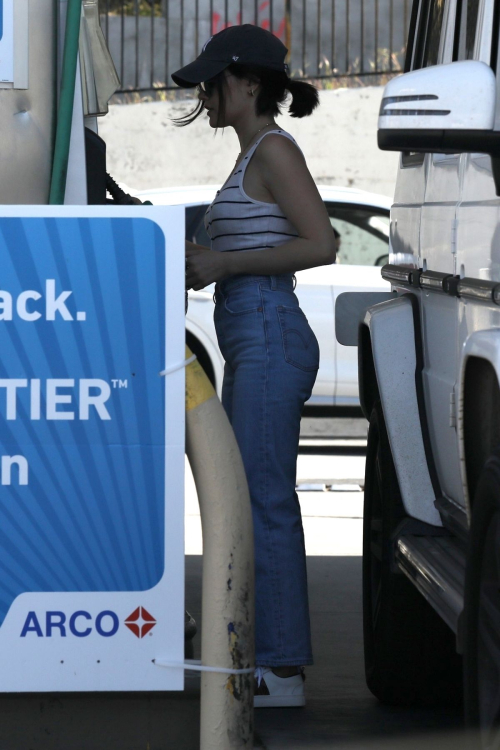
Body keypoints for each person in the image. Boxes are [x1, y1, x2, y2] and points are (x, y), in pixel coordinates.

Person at [172, 24, 336, 708]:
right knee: (256, 498)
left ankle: (281, 671)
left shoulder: (272, 150)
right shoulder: (250, 157)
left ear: (247, 83)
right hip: (253, 331)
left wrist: (224, 262)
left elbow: (322, 243)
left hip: (269, 328)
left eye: (213, 83)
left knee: (264, 502)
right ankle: (270, 662)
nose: (206, 96)